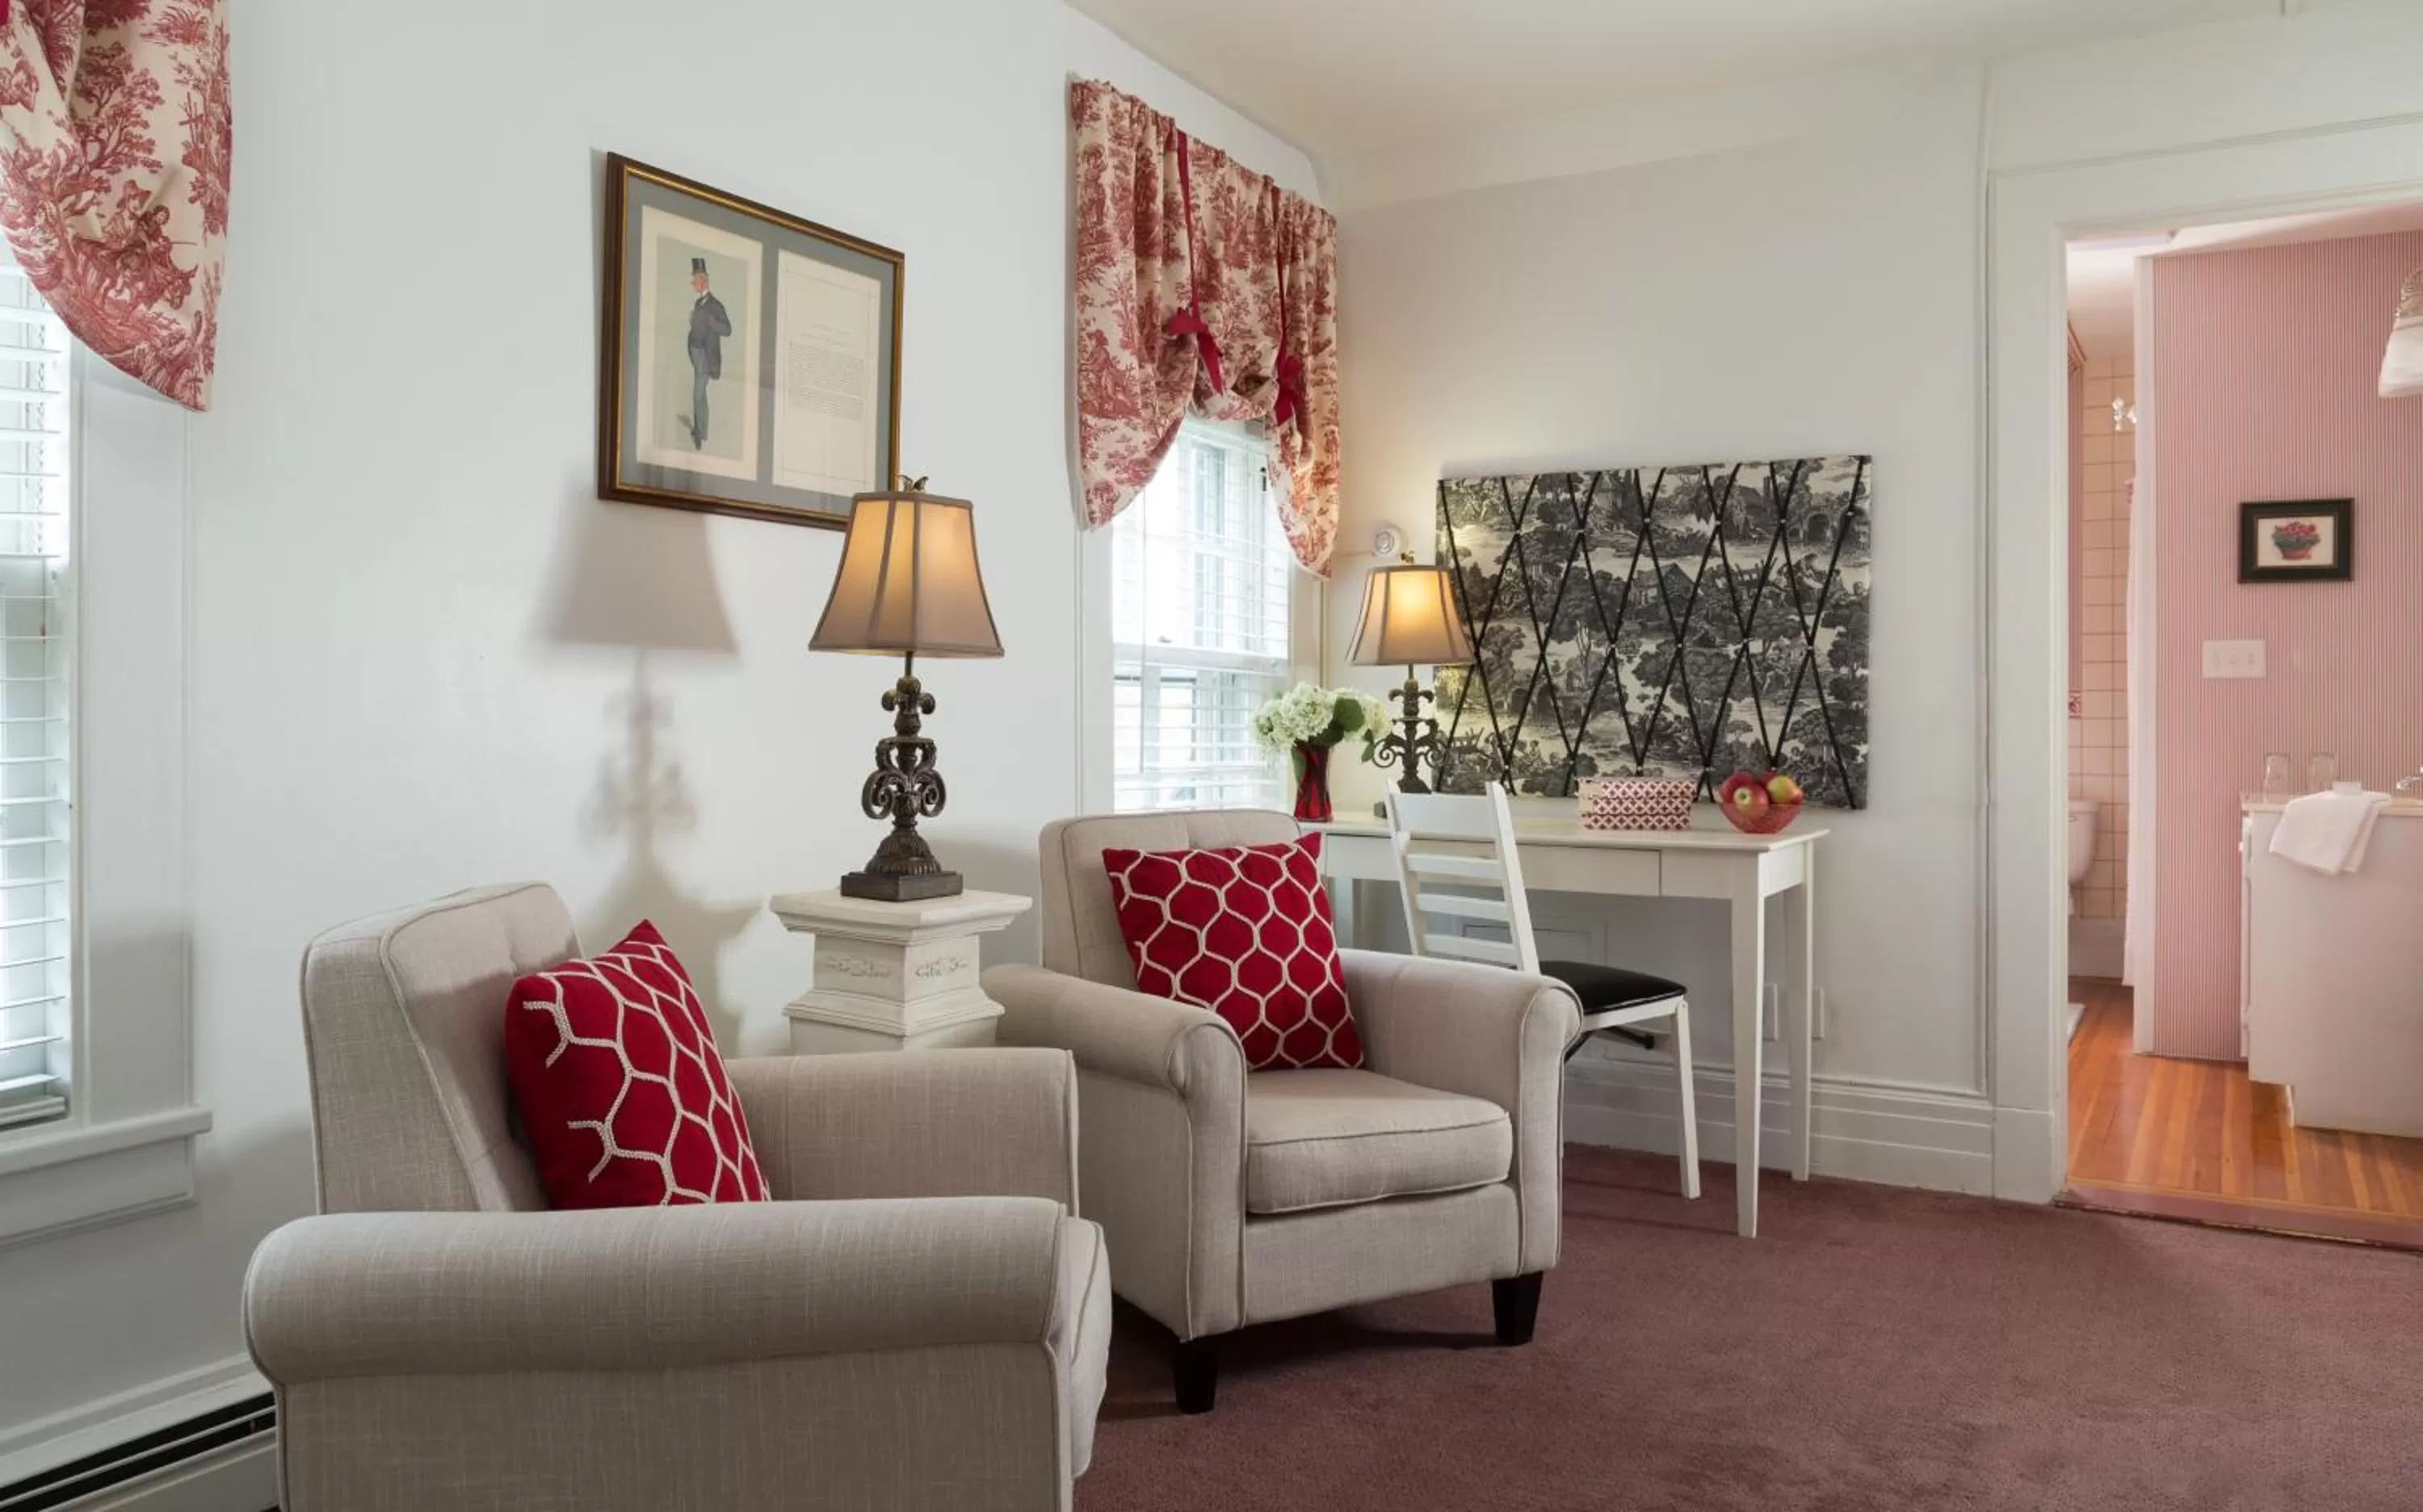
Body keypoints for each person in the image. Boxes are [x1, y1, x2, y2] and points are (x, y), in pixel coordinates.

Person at [685, 256, 731, 450]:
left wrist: (711, 322)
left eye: (695, 280)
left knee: (697, 394)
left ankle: (699, 432)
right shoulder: (698, 304)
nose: (693, 283)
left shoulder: (716, 306)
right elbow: (697, 326)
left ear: (703, 281)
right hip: (695, 353)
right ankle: (703, 431)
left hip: (706, 355)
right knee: (701, 394)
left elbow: (728, 330)